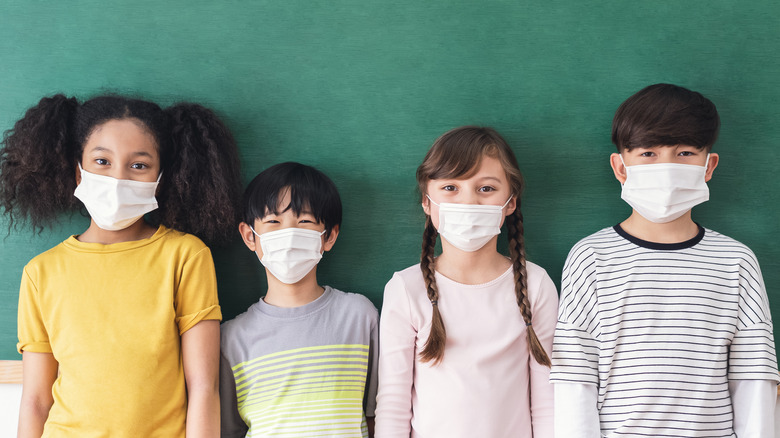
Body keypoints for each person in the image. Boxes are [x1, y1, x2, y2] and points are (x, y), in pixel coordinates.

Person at [1, 94, 243, 438]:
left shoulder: (185, 255)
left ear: (162, 177)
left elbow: (203, 387)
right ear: (78, 170)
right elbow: (36, 400)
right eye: (102, 161)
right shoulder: (41, 272)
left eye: (139, 165)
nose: (118, 178)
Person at [550, 83, 780, 437]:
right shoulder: (591, 257)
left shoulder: (736, 261)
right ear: (620, 166)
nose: (667, 167)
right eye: (648, 153)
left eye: (685, 153)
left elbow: (754, 378)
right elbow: (574, 378)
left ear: (709, 165)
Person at [375, 126, 558, 437]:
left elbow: (547, 403)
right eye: (450, 188)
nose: (468, 203)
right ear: (426, 202)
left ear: (510, 202)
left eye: (486, 189)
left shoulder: (535, 284)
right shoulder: (406, 289)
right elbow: (393, 404)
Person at [219, 162, 379, 438]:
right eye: (273, 222)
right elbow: (229, 429)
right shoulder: (231, 337)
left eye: (304, 221)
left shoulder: (359, 316)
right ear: (249, 236)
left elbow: (378, 412)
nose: (288, 234)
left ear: (328, 236)